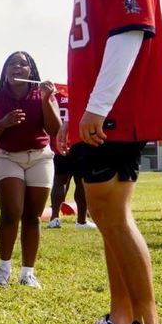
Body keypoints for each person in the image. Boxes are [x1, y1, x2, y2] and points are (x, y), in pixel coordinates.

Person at [52, 0, 162, 324]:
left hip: (116, 113)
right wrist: (76, 110)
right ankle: (121, 319)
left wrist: (98, 107)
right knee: (103, 214)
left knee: (115, 215)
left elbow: (129, 34)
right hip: (96, 113)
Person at [0, 52, 60, 290]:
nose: (17, 67)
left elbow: (54, 130)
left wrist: (47, 100)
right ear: (5, 71)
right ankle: (3, 269)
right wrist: (3, 123)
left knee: (32, 217)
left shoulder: (43, 94)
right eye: (11, 64)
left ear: (31, 71)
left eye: (22, 64)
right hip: (7, 157)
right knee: (11, 211)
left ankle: (28, 273)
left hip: (40, 157)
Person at [47, 86, 95, 229]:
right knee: (81, 182)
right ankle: (81, 221)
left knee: (59, 181)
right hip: (79, 141)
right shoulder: (82, 94)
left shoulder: (54, 97)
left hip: (59, 143)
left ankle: (54, 217)